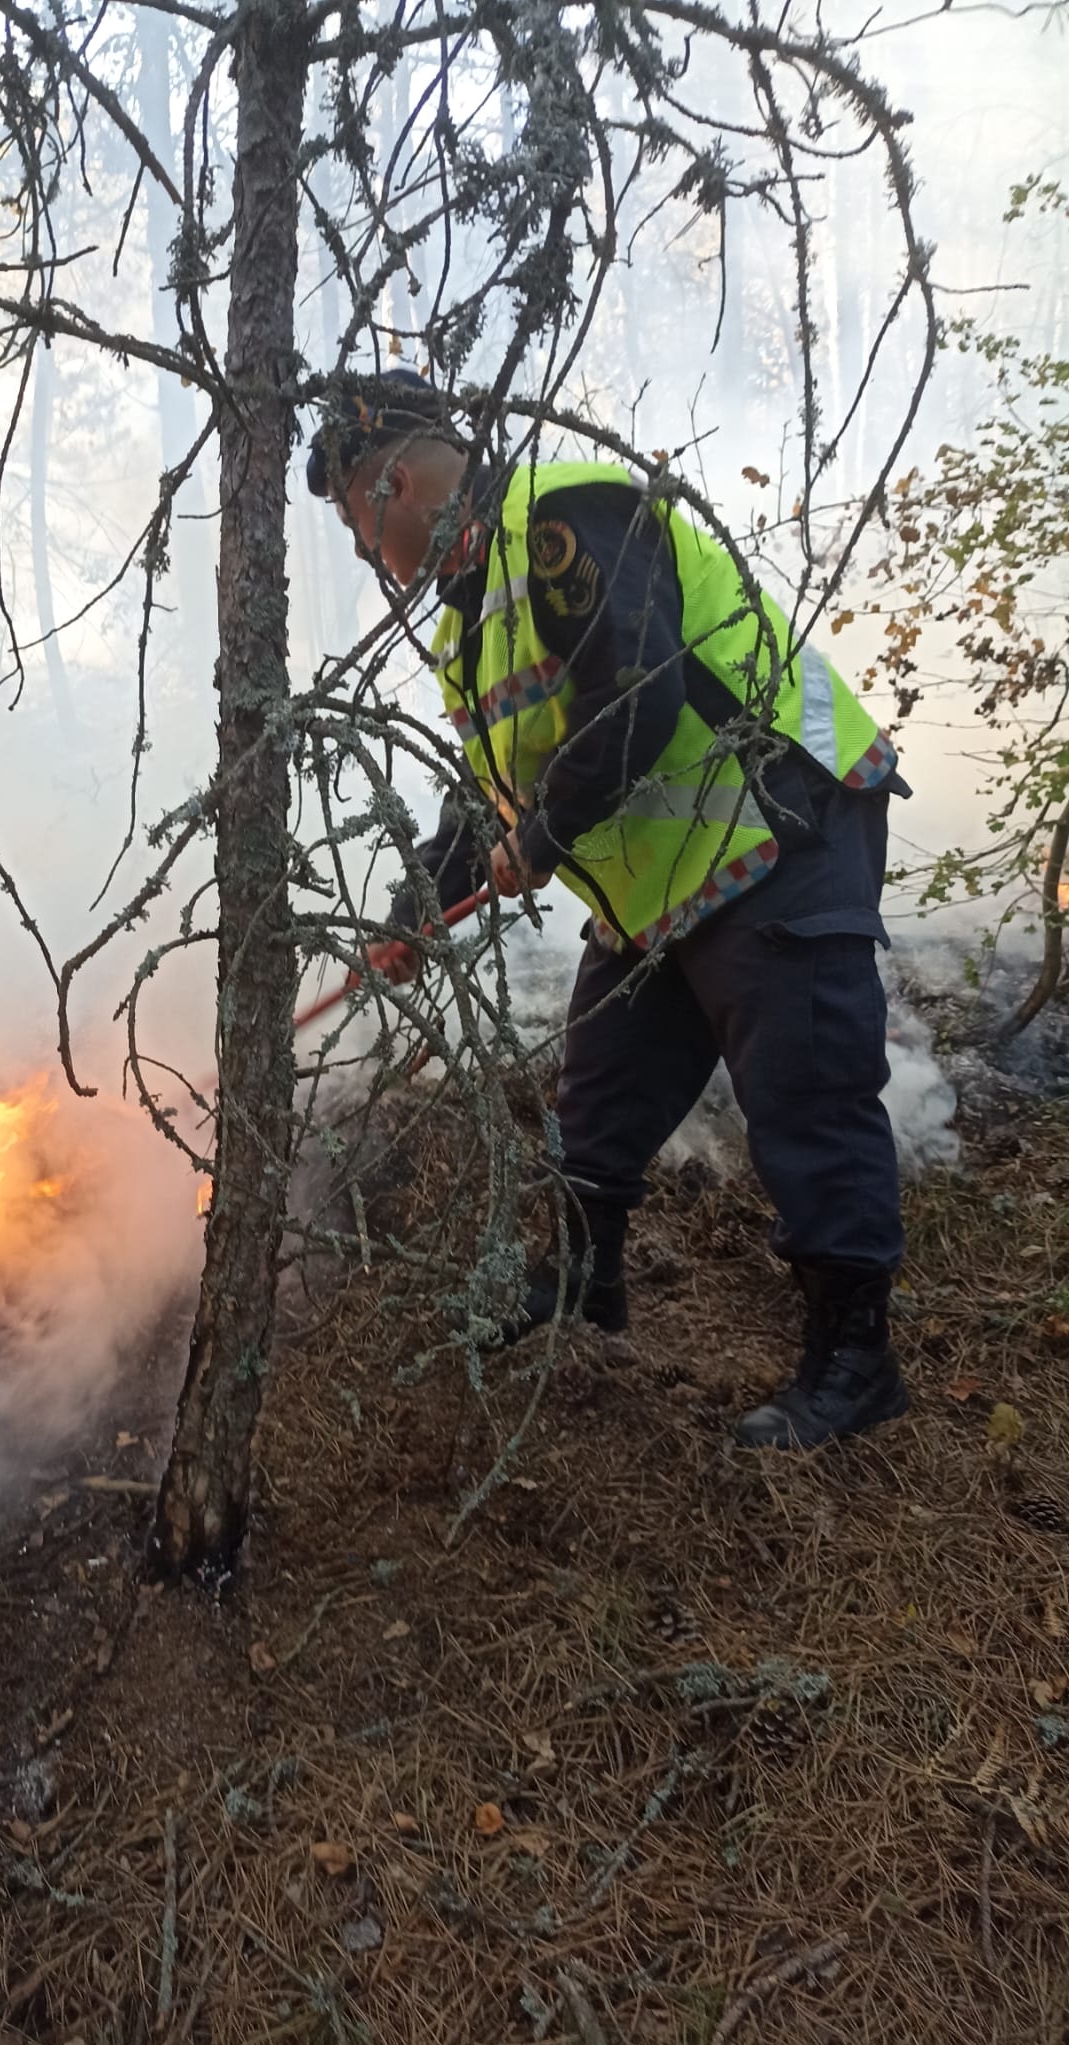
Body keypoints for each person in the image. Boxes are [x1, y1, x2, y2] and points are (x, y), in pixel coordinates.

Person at [306, 369, 912, 1450]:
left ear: (390, 481)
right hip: (663, 879)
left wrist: (537, 843)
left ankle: (854, 1362)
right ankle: (586, 1285)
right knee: (600, 1091)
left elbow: (636, 698)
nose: (366, 557)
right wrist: (413, 911)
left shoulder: (563, 514)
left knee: (803, 1097)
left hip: (778, 820)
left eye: (357, 524)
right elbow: (486, 792)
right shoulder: (465, 624)